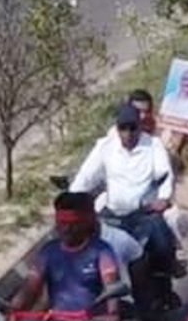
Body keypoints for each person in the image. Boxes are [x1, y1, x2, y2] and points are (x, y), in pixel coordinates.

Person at [71, 101, 180, 278]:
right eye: (123, 128)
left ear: (140, 127)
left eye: (132, 128)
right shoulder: (105, 147)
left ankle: (165, 275)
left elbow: (165, 175)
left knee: (162, 243)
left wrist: (163, 198)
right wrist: (72, 199)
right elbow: (86, 176)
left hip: (144, 214)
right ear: (117, 128)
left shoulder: (153, 145)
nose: (128, 134)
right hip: (112, 215)